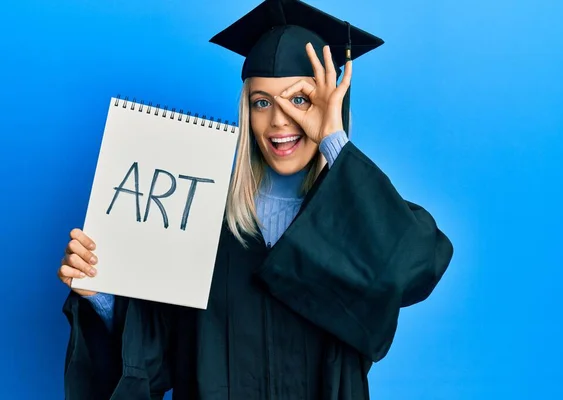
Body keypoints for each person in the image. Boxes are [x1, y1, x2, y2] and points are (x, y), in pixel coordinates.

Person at [57, 0, 454, 398]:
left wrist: (333, 140)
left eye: (300, 99)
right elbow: (159, 356)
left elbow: (412, 268)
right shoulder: (205, 219)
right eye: (262, 102)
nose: (279, 119)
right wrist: (102, 294)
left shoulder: (355, 228)